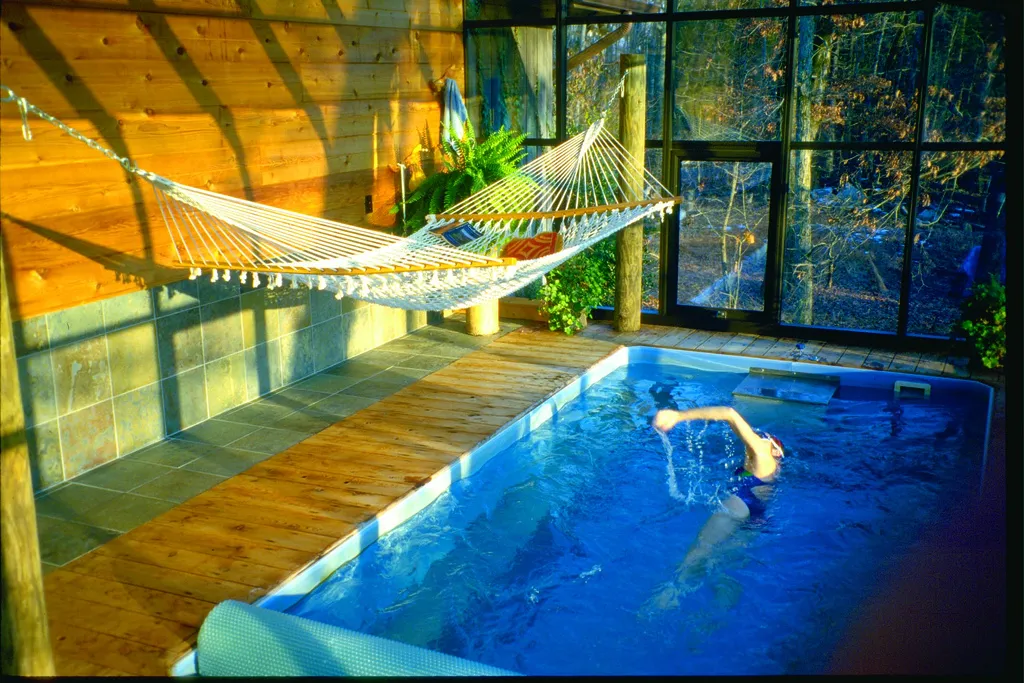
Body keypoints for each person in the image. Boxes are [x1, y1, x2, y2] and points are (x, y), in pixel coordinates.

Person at [644, 406, 785, 611]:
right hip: (759, 518)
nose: (756, 439)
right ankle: (718, 604)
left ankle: (671, 591)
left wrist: (679, 416)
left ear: (772, 448)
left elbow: (729, 413)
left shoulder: (762, 450)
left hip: (741, 503)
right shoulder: (773, 469)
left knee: (702, 548)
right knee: (720, 561)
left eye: (764, 438)